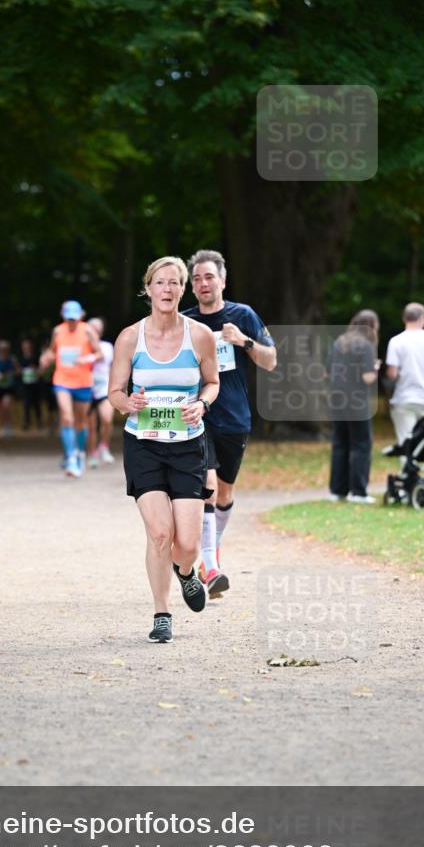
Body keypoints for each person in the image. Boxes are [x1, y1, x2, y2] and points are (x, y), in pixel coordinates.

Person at [109, 256, 219, 643]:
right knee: (159, 533)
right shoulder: (129, 337)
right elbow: (114, 394)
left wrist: (201, 404)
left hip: (189, 446)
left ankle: (186, 571)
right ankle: (162, 613)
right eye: (160, 283)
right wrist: (129, 405)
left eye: (174, 283)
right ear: (149, 289)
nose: (167, 290)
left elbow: (212, 383)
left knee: (186, 544)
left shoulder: (200, 335)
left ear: (182, 289)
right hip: (144, 445)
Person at [183, 249, 276, 597]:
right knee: (206, 484)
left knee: (224, 492)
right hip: (198, 413)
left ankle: (212, 551)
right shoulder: (186, 321)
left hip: (235, 417)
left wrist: (243, 341)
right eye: (197, 278)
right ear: (192, 286)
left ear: (222, 280)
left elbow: (271, 360)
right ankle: (211, 567)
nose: (203, 283)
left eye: (209, 277)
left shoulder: (243, 315)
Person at [40, 300, 102, 478]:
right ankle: (72, 458)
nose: (72, 322)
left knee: (81, 422)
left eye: (74, 319)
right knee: (67, 418)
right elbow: (52, 351)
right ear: (63, 316)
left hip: (83, 382)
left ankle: (79, 452)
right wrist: (46, 358)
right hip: (62, 380)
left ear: (81, 316)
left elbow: (99, 354)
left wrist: (86, 359)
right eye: (68, 319)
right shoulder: (58, 331)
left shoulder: (88, 331)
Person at [327, 310, 381, 504]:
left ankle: (337, 490)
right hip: (357, 401)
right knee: (361, 444)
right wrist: (375, 368)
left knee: (340, 443)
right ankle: (358, 492)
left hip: (337, 399)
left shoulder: (340, 342)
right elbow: (368, 377)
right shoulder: (365, 346)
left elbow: (328, 371)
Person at [385, 303, 424, 445]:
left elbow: (392, 374)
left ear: (404, 318)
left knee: (406, 441)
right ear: (422, 318)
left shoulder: (396, 341)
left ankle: (407, 465)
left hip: (404, 398)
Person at [86, 316, 115, 468]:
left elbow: (113, 367)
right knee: (91, 426)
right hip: (87, 389)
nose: (95, 332)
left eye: (98, 329)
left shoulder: (107, 347)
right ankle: (92, 454)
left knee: (107, 419)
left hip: (104, 388)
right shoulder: (83, 346)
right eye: (92, 329)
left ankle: (103, 446)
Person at [0, 339, 20, 437]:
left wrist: (11, 374)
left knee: (6, 405)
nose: (3, 350)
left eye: (5, 349)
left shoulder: (12, 359)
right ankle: (3, 426)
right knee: (1, 408)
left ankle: (8, 425)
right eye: (1, 349)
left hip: (9, 387)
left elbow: (18, 371)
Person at [19, 338, 42, 430]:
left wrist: (35, 369)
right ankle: (27, 422)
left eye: (27, 346)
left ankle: (39, 421)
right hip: (25, 384)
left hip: (35, 384)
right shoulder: (20, 358)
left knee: (36, 403)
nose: (26, 348)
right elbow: (18, 370)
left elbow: (40, 369)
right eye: (24, 347)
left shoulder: (36, 357)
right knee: (26, 404)